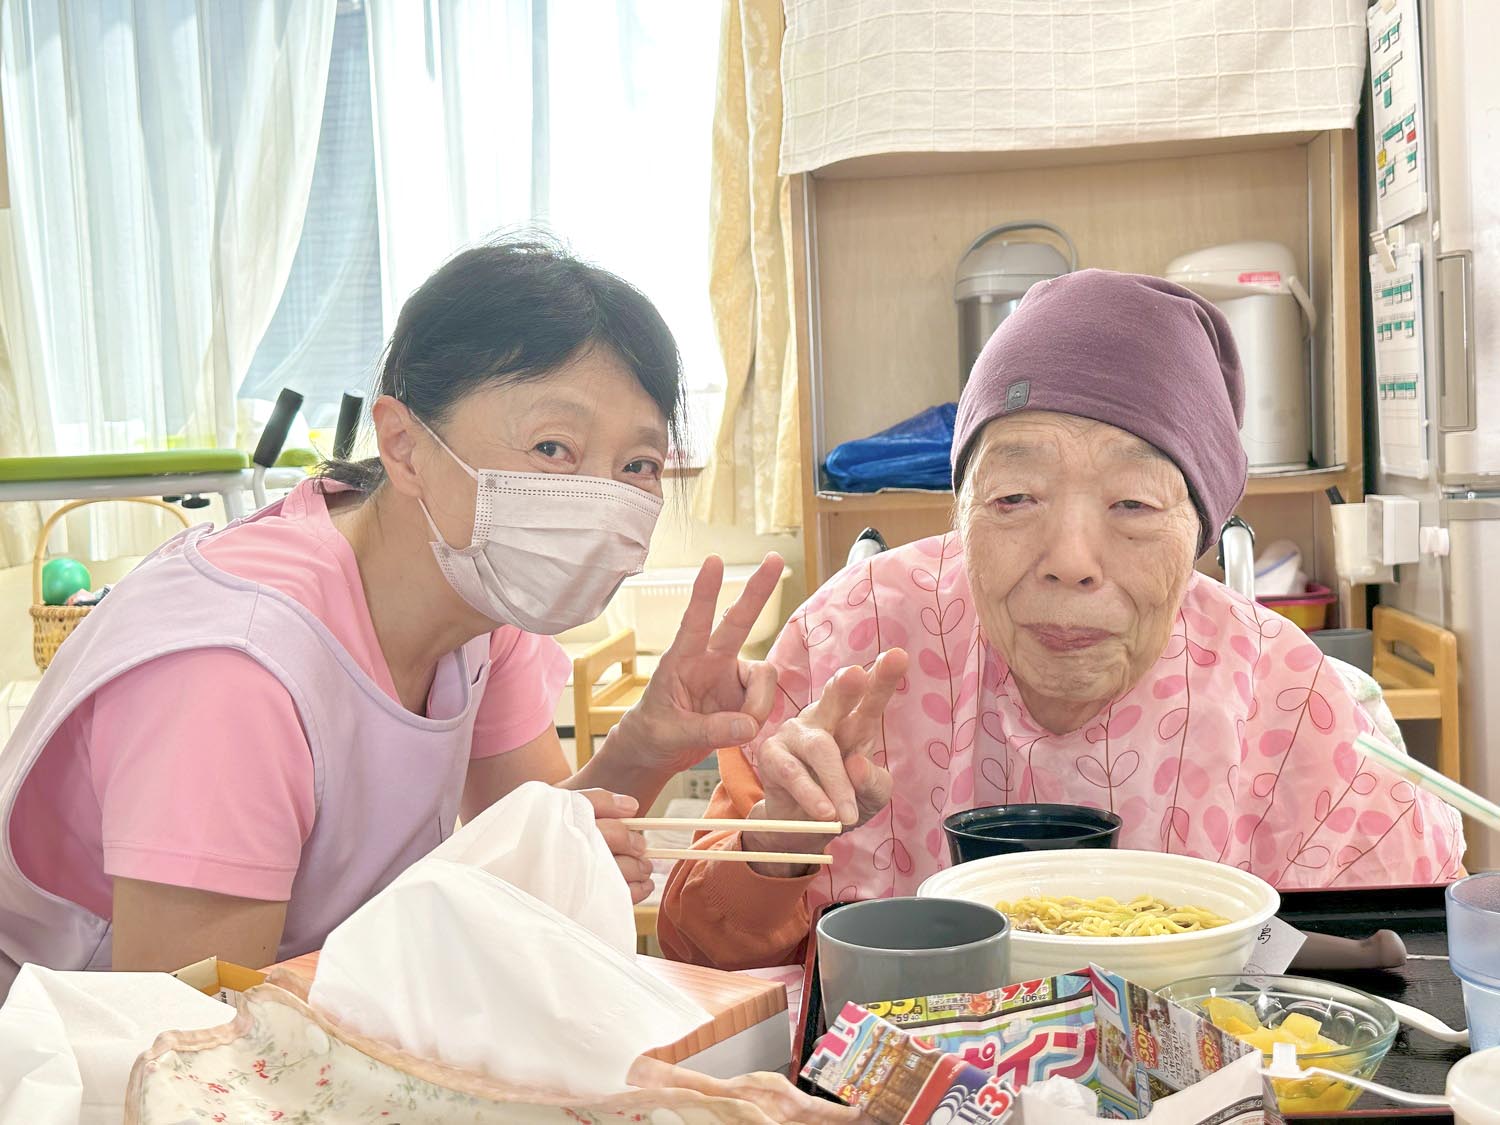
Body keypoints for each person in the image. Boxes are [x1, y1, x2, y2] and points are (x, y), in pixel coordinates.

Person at [0, 237, 785, 995]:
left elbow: (549, 843)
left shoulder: (480, 602)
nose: (600, 496)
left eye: (637, 464)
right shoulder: (235, 672)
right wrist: (457, 908)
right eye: (553, 447)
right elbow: (191, 1036)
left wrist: (644, 748)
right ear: (405, 446)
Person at [658, 269, 1466, 970]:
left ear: (1199, 539)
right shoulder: (847, 643)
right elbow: (699, 952)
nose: (1070, 558)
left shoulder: (1286, 699)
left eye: (1133, 503)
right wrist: (781, 845)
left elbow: (1403, 960)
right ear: (959, 512)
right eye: (1014, 498)